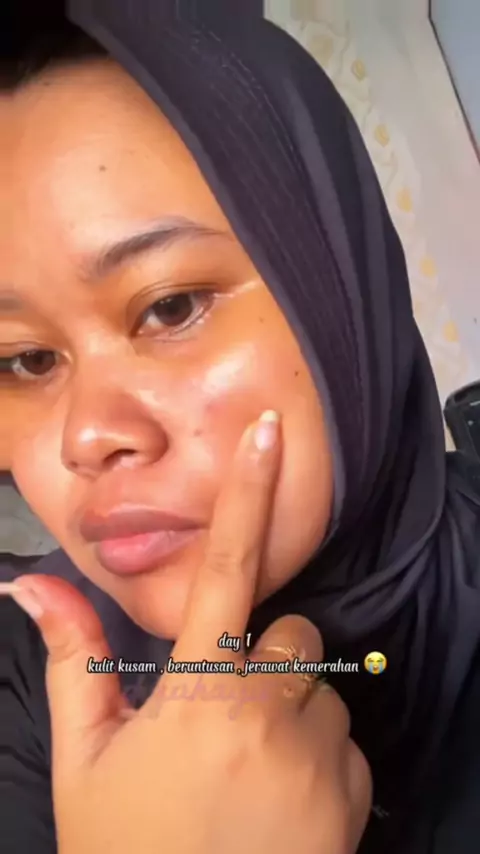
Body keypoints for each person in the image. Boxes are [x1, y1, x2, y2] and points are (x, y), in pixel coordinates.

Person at [1, 3, 480, 852]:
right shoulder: (22, 679)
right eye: (27, 361)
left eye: (169, 307)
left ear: (341, 291)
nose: (86, 438)